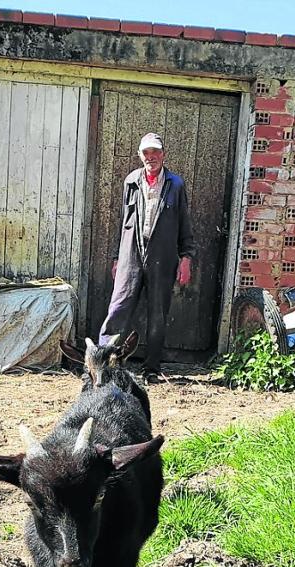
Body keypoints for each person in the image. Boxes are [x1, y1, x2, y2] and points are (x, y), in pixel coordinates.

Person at [99, 132, 194, 382]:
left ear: (163, 154)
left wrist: (186, 257)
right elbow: (123, 223)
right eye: (146, 153)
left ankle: (151, 368)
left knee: (158, 313)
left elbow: (184, 223)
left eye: (155, 152)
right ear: (140, 155)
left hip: (162, 256)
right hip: (131, 253)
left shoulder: (175, 184)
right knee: (118, 307)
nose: (151, 157)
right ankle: (104, 364)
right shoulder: (131, 182)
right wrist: (117, 258)